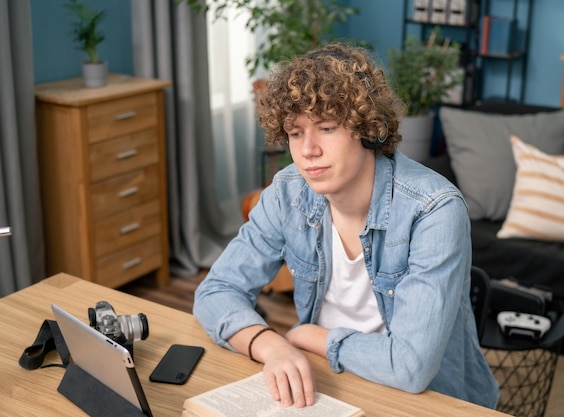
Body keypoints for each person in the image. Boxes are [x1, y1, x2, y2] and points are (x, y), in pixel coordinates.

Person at [193, 42, 499, 409]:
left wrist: (315, 337)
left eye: (326, 128)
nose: (308, 150)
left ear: (368, 129)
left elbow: (410, 368)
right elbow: (216, 290)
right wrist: (270, 344)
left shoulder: (434, 210)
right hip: (331, 381)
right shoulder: (287, 192)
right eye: (295, 132)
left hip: (431, 401)